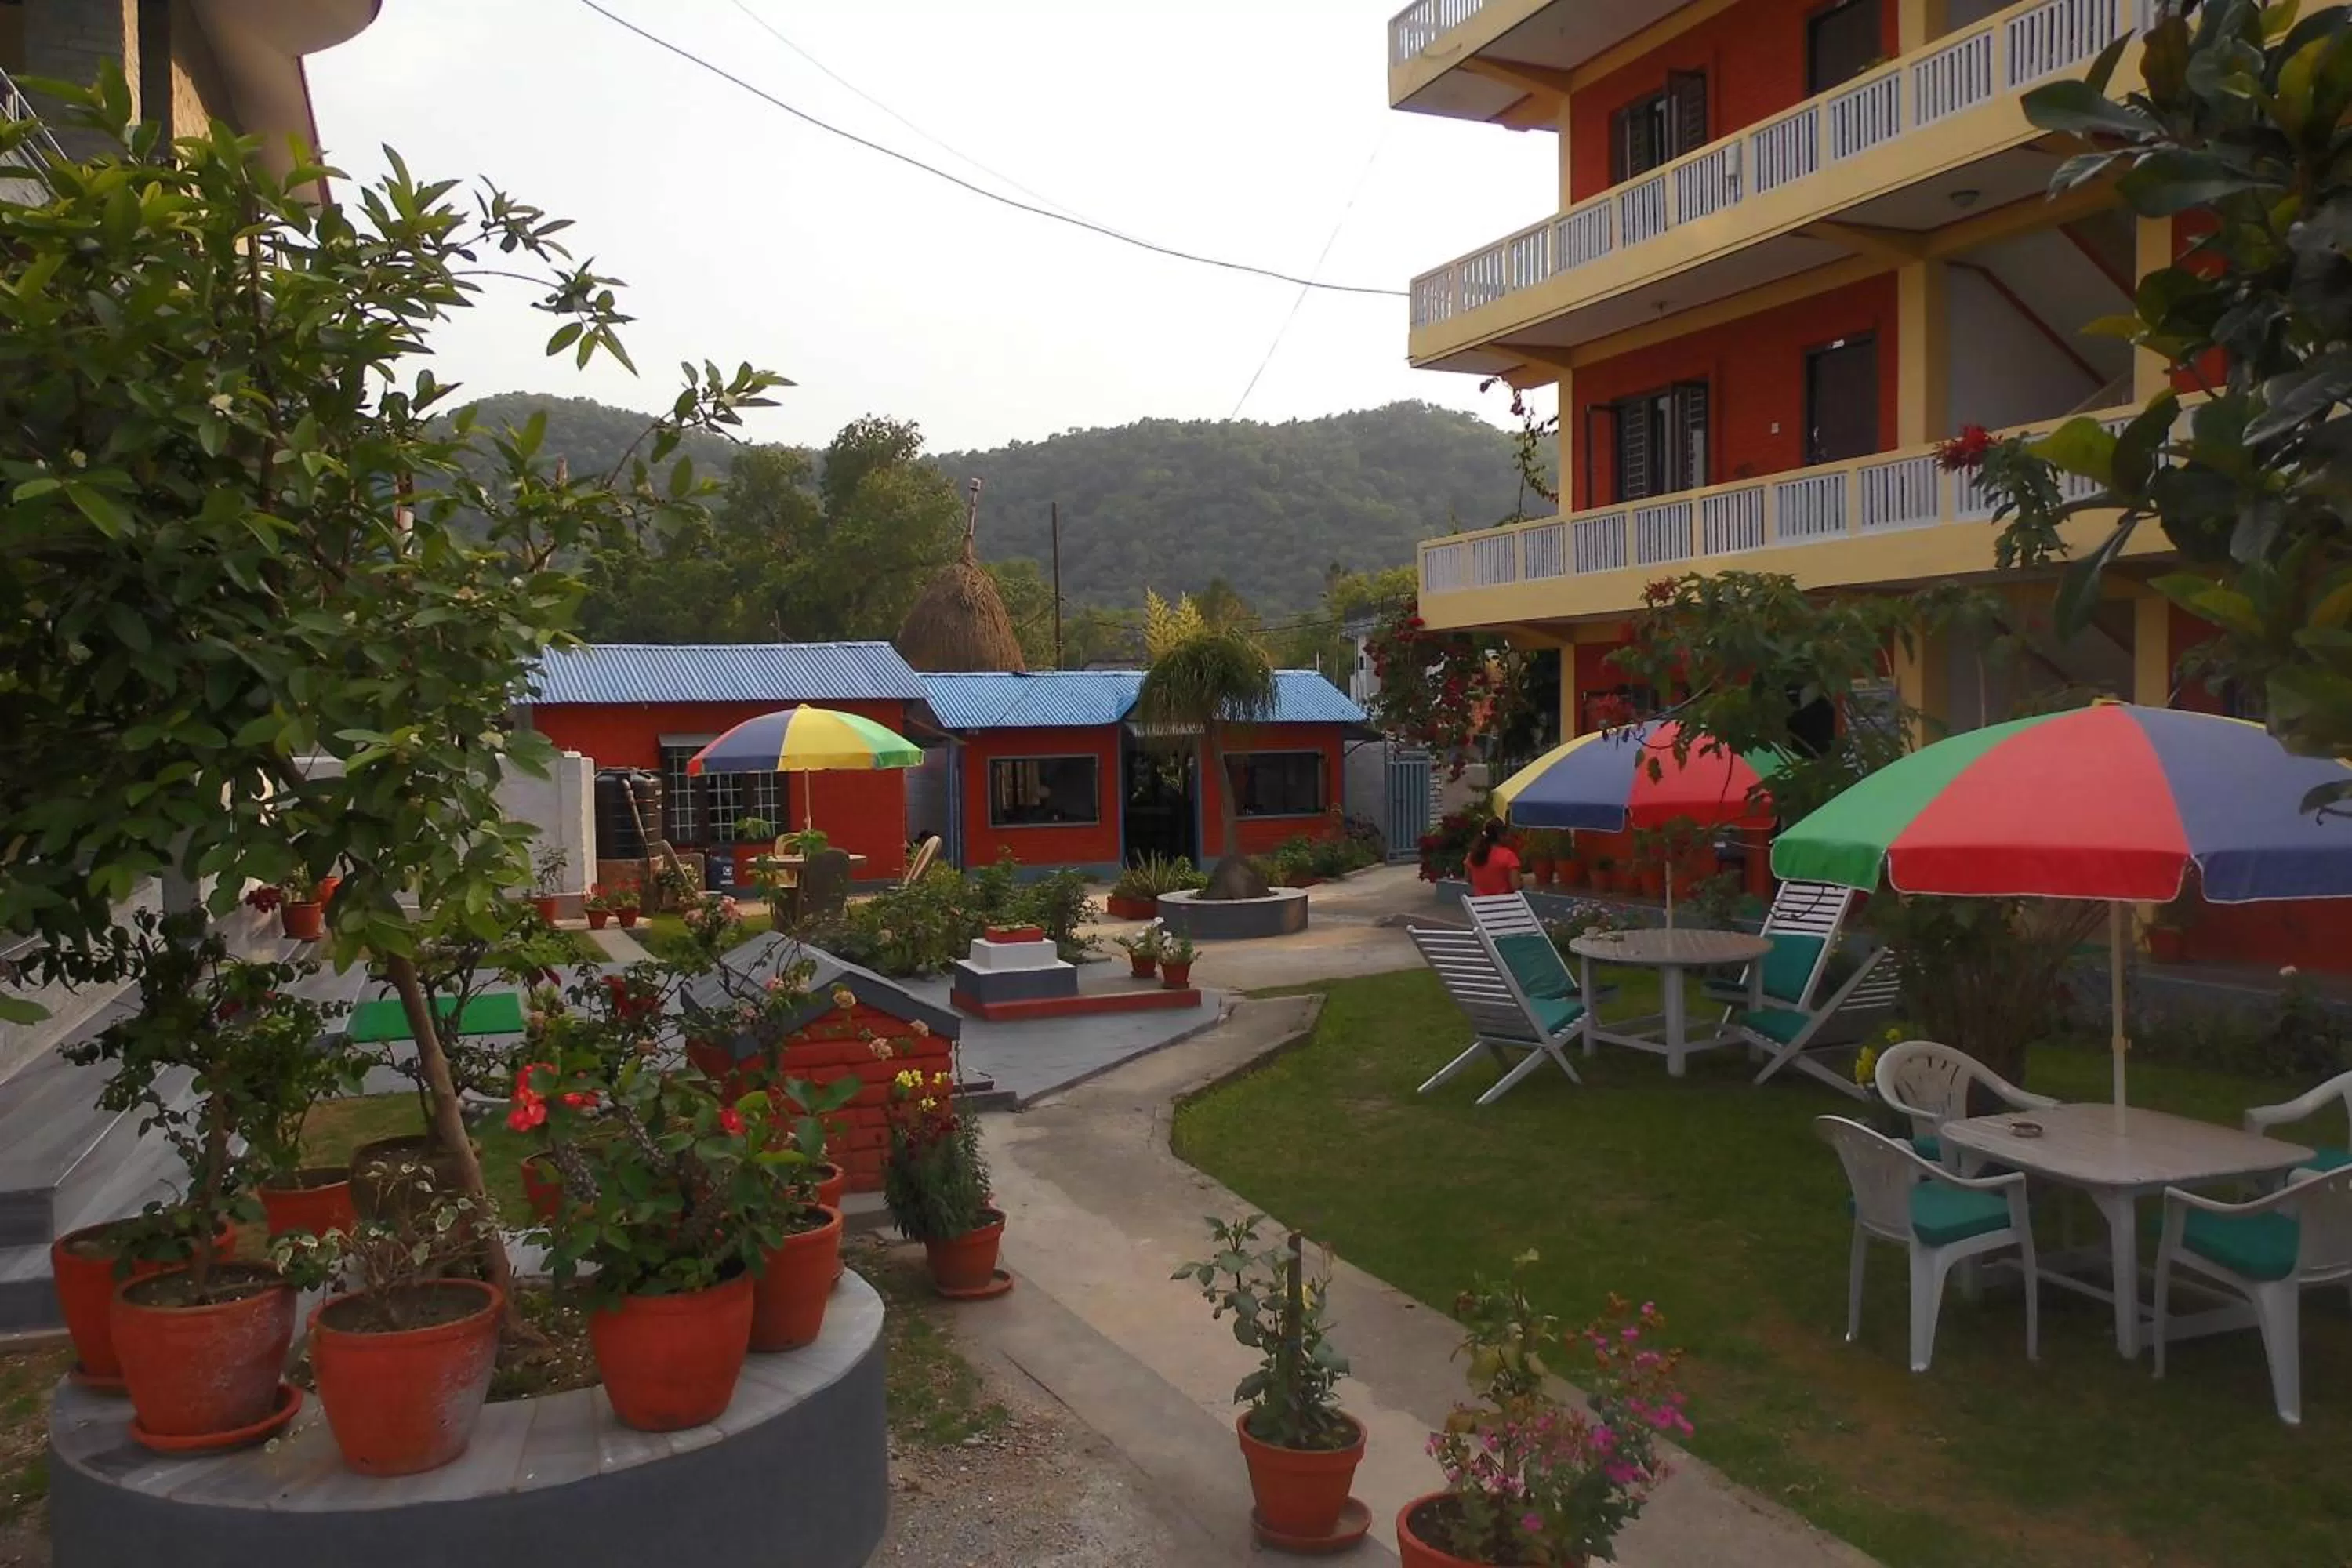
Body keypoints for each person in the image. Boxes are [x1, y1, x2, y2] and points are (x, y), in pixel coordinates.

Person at [1464, 818, 1522, 896]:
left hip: (1480, 905)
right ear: (1501, 836)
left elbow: (1468, 879)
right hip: (1504, 905)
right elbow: (1516, 885)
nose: (1509, 838)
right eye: (1508, 835)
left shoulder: (1473, 854)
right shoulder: (1508, 856)